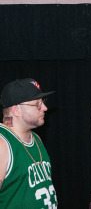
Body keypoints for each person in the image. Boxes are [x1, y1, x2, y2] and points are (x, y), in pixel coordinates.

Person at [0, 78, 58, 208]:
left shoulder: (36, 139)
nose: (45, 108)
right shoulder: (2, 144)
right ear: (16, 110)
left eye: (43, 102)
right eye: (37, 104)